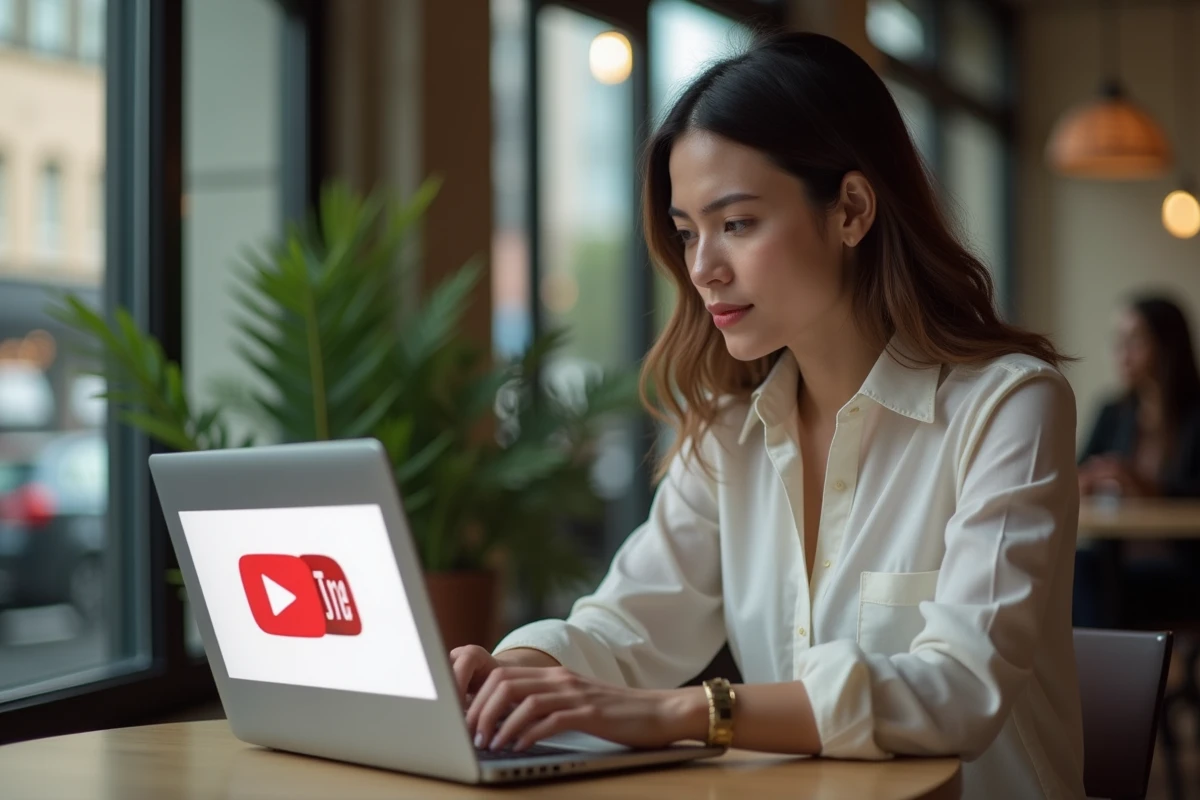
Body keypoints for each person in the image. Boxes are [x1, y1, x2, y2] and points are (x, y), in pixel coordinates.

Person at [451, 32, 1085, 800]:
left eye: (738, 223)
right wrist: (515, 673)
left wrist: (681, 713)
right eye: (688, 232)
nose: (702, 267)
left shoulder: (1008, 407)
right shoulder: (727, 432)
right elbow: (624, 629)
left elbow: (957, 689)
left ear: (850, 210)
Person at [1074, 295, 1200, 628]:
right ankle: (1099, 675)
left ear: (1167, 345)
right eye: (1118, 341)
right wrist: (1087, 480)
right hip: (1115, 555)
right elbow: (1075, 476)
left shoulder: (1194, 415)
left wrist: (1144, 485)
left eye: (1135, 340)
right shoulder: (1112, 412)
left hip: (1184, 563)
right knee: (1076, 568)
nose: (1121, 353)